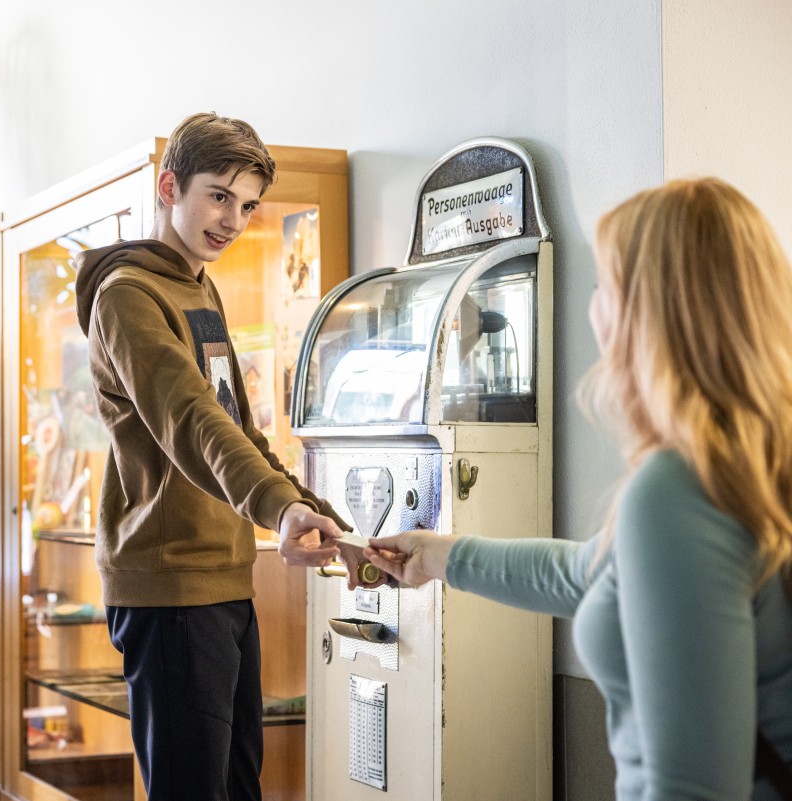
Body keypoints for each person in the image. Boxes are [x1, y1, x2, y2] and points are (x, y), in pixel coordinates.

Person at [364, 178, 792, 800]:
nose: (596, 308)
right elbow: (596, 575)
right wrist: (438, 556)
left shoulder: (678, 490)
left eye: (606, 286)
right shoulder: (753, 462)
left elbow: (690, 788)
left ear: (647, 313)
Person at [74, 111, 378, 801]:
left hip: (225, 581)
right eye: (218, 195)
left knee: (239, 787)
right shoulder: (128, 295)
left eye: (247, 204)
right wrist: (281, 509)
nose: (232, 219)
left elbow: (238, 428)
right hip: (170, 588)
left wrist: (324, 520)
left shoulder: (199, 286)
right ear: (168, 185)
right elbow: (193, 421)